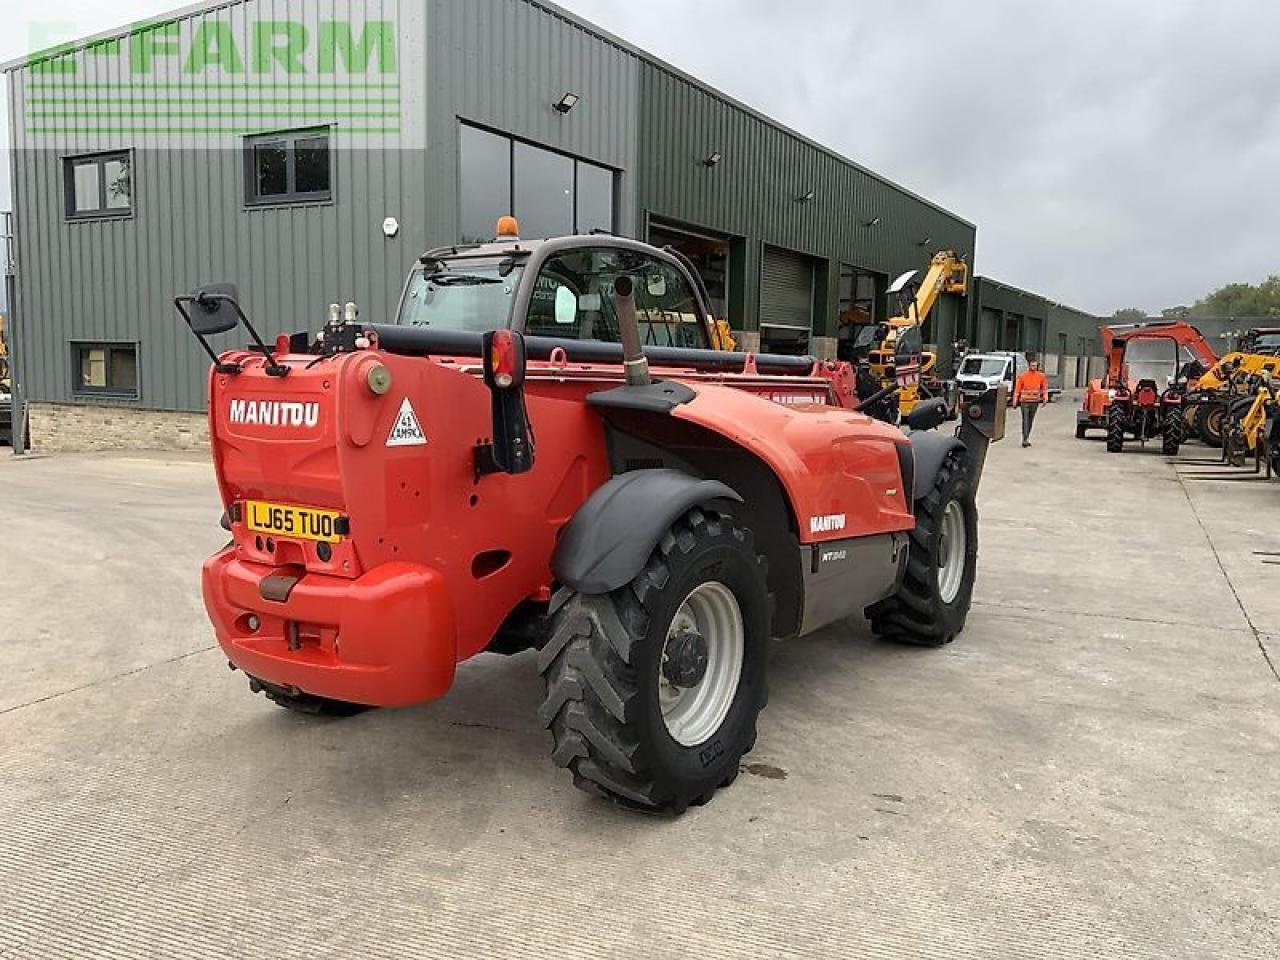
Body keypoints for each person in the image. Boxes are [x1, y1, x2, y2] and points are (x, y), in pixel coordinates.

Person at [1013, 357, 1049, 447]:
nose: (1034, 367)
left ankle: (1027, 437)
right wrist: (1015, 400)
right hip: (1024, 401)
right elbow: (1017, 389)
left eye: (1035, 366)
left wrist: (1045, 397)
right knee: (1025, 420)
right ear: (1029, 366)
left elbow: (1044, 388)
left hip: (1035, 401)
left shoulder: (1041, 376)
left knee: (1030, 420)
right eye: (1032, 365)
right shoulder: (1022, 376)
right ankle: (1025, 439)